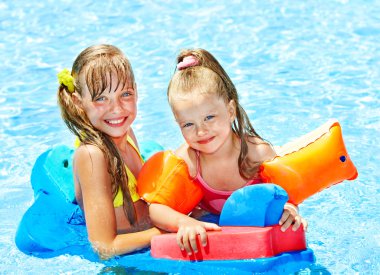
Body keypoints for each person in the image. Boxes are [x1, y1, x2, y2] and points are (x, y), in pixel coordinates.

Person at [149, 48, 307, 255]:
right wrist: (184, 222)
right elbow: (156, 208)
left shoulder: (258, 154)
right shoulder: (187, 160)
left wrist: (290, 211)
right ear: (177, 123)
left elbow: (289, 196)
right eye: (188, 124)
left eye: (209, 118)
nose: (201, 131)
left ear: (230, 111)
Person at [57, 44, 162, 259]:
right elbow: (104, 246)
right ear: (79, 102)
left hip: (146, 240)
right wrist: (163, 232)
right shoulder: (93, 156)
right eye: (101, 98)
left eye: (125, 94)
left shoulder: (128, 133)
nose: (116, 109)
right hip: (124, 264)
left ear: (137, 92)